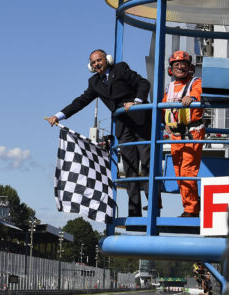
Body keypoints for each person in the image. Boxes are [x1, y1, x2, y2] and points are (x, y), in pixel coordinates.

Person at [45, 49, 159, 217]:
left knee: (147, 162)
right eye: (93, 63)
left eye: (99, 60)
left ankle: (154, 204)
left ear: (107, 60)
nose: (97, 64)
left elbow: (143, 83)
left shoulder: (120, 69)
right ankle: (134, 212)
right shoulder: (94, 83)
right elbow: (80, 101)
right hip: (123, 126)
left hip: (141, 121)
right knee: (130, 168)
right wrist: (58, 116)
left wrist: (136, 102)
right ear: (90, 66)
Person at [163, 50, 205, 217]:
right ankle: (191, 203)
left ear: (190, 67)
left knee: (188, 171)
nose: (180, 67)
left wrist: (192, 99)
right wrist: (165, 122)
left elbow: (198, 93)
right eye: (176, 64)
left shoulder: (196, 82)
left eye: (183, 64)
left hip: (192, 132)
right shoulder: (170, 87)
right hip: (176, 134)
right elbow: (164, 105)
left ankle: (191, 210)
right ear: (171, 69)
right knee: (179, 172)